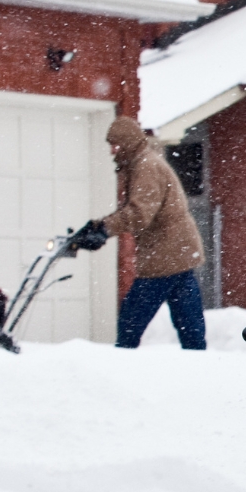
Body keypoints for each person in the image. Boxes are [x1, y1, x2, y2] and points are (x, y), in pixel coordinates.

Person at [75, 117, 208, 350]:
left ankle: (123, 365)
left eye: (114, 145)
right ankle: (199, 363)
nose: (111, 152)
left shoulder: (146, 166)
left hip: (164, 254)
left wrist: (105, 229)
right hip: (179, 252)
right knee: (189, 324)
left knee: (131, 322)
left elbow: (139, 212)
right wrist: (99, 226)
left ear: (127, 143)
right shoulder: (144, 162)